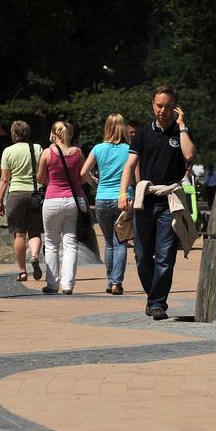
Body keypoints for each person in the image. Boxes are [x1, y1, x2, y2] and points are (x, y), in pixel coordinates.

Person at [118, 85, 197, 320]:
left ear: (175, 108)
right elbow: (130, 165)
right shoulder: (143, 134)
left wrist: (182, 126)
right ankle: (154, 297)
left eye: (168, 106)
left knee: (165, 256)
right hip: (146, 200)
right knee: (142, 256)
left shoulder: (181, 133)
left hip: (169, 203)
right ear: (153, 105)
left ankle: (157, 303)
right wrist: (124, 192)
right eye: (159, 105)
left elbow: (190, 155)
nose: (162, 110)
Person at [80, 113, 132, 295]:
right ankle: (117, 282)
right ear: (122, 128)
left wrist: (96, 184)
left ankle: (111, 281)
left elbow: (83, 173)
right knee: (121, 242)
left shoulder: (98, 149)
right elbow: (136, 175)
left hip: (102, 198)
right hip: (123, 200)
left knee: (109, 243)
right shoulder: (129, 150)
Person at [36, 121, 86, 294]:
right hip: (73, 200)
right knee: (71, 242)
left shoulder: (47, 153)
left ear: (53, 134)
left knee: (51, 243)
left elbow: (40, 179)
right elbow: (81, 178)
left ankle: (52, 284)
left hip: (52, 200)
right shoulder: (78, 152)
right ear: (70, 134)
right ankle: (68, 285)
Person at [0, 120, 44, 282]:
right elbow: (44, 172)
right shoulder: (37, 149)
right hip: (35, 194)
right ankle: (35, 256)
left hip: (16, 194)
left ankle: (23, 271)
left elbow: (4, 179)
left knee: (19, 234)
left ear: (13, 134)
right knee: (35, 231)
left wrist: (0, 200)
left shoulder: (8, 151)